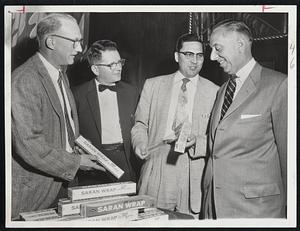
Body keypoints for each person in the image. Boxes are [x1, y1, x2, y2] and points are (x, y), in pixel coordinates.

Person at [11, 14, 104, 219]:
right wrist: (76, 162)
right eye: (75, 42)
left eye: (80, 42)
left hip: (62, 184)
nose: (80, 49)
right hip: (36, 193)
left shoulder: (60, 74)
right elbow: (28, 144)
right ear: (51, 41)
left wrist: (77, 146)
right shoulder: (25, 79)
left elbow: (63, 126)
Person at [202, 20, 287, 218]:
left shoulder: (279, 85)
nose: (213, 57)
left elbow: (290, 159)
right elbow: (220, 145)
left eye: (217, 48)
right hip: (215, 206)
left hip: (258, 210)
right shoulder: (223, 90)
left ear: (240, 45)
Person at [131, 33, 219, 216]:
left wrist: (197, 141)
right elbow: (140, 124)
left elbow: (218, 136)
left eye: (199, 55)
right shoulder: (153, 85)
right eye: (188, 54)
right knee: (151, 219)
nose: (194, 61)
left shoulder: (215, 91)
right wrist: (139, 143)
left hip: (195, 172)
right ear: (177, 56)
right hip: (158, 165)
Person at [72, 40, 139, 186]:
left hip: (126, 161)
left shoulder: (132, 92)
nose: (118, 68)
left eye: (119, 62)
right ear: (95, 69)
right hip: (94, 167)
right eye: (111, 65)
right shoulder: (77, 94)